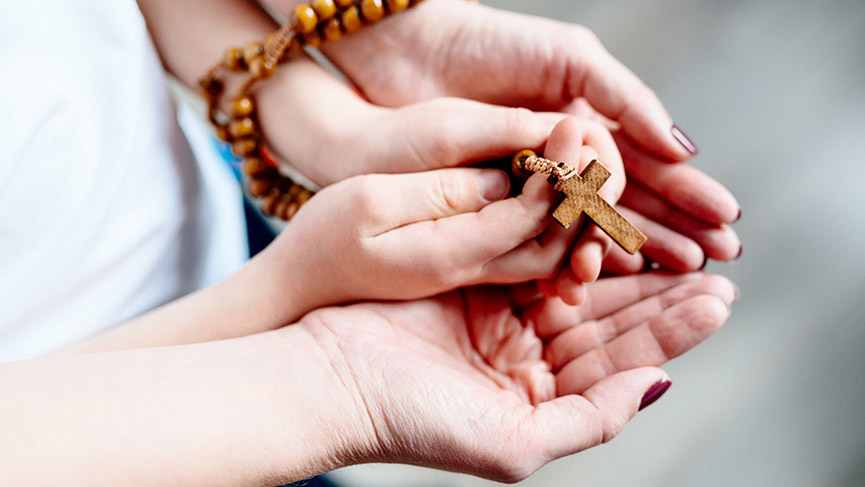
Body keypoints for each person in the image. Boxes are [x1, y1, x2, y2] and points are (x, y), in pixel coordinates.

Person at [0, 0, 740, 484]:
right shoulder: (302, 350)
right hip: (198, 414)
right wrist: (307, 346)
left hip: (234, 250)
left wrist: (336, 117)